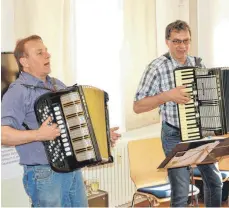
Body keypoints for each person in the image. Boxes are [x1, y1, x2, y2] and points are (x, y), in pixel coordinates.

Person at [1, 35, 121, 207]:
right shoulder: (17, 92)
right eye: (39, 52)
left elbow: (75, 123)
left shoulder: (57, 85)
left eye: (46, 50)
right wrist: (39, 134)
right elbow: (3, 134)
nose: (47, 55)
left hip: (72, 169)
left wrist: (102, 135)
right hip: (43, 172)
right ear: (24, 61)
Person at [133, 20, 223, 207]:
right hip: (173, 134)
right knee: (182, 192)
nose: (182, 46)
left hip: (199, 132)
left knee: (215, 182)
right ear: (167, 42)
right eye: (176, 41)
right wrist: (167, 96)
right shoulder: (156, 67)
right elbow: (138, 106)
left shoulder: (198, 63)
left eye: (186, 41)